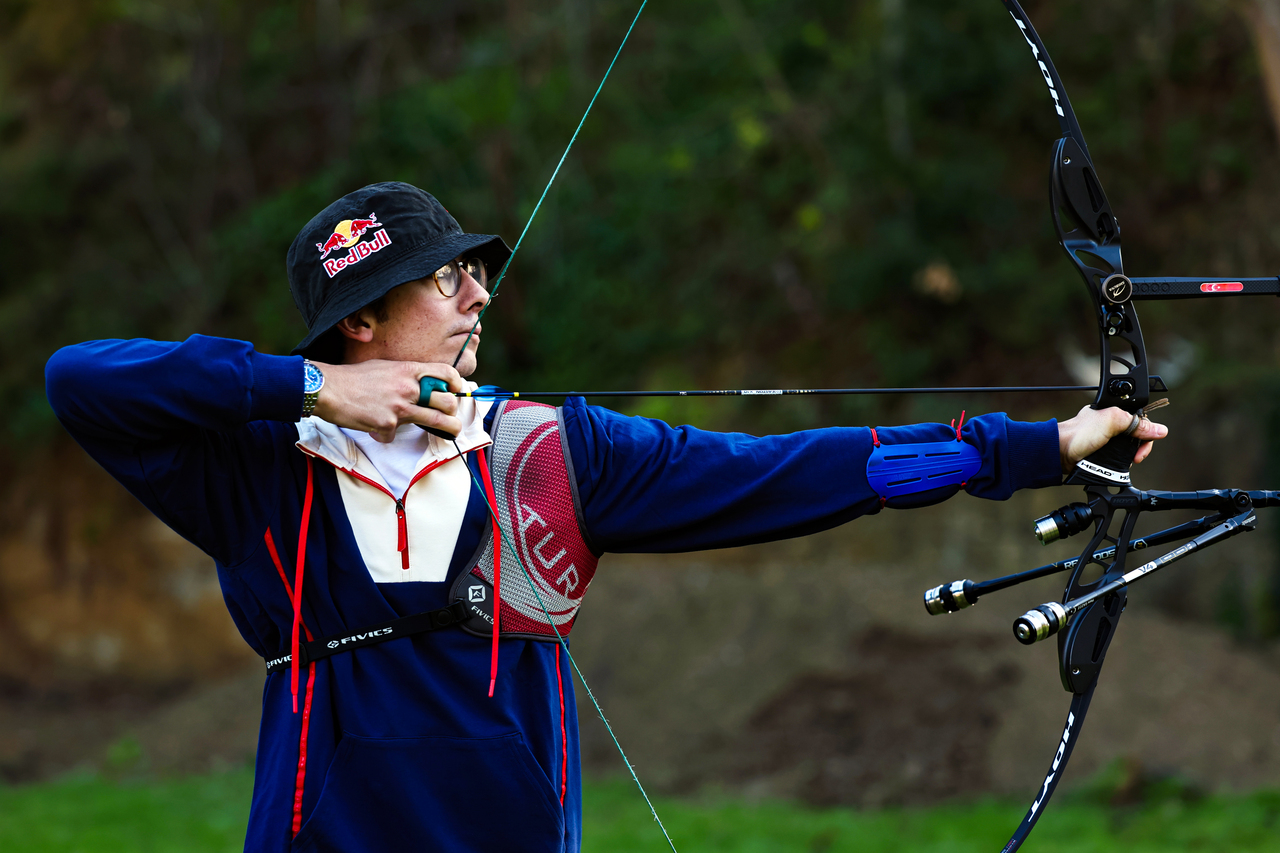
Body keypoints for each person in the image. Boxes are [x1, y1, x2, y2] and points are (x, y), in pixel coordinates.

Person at [45, 181, 1166, 853]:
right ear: (362, 324)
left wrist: (1037, 447)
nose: (480, 295)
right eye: (446, 282)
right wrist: (307, 394)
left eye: (477, 277)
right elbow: (82, 378)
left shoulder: (550, 452)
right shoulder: (259, 470)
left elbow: (789, 471)